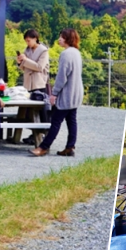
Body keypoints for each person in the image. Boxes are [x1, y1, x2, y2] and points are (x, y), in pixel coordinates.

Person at [31, 29, 83, 157]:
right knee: (71, 120)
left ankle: (43, 147)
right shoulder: (76, 52)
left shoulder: (66, 54)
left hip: (67, 94)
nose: (59, 39)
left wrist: (54, 93)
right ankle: (70, 147)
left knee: (55, 121)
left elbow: (62, 77)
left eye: (62, 37)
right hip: (76, 92)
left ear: (68, 39)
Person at [16, 29, 51, 131]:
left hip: (39, 83)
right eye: (26, 41)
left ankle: (44, 133)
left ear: (35, 39)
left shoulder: (43, 51)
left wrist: (26, 60)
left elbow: (40, 67)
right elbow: (24, 67)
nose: (27, 43)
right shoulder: (27, 50)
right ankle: (34, 133)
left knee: (41, 111)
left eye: (29, 40)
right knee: (29, 111)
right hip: (28, 83)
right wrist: (19, 62)